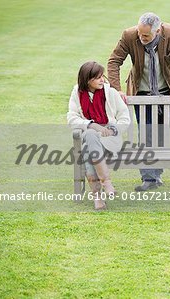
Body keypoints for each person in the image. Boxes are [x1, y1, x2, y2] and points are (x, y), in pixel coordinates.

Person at [108, 12, 170, 191]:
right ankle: (148, 178)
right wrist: (117, 90)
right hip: (141, 92)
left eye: (145, 35)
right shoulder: (129, 35)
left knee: (161, 134)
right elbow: (114, 61)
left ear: (158, 30)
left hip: (165, 92)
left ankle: (156, 175)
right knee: (146, 134)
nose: (141, 37)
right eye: (140, 33)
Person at [67, 61, 131, 210]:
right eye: (97, 77)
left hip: (110, 139)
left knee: (88, 149)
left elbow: (124, 118)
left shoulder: (111, 93)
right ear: (87, 79)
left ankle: (98, 197)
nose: (102, 80)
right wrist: (91, 124)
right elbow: (71, 117)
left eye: (102, 76)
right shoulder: (77, 93)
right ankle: (106, 183)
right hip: (92, 138)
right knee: (90, 137)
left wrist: (113, 130)